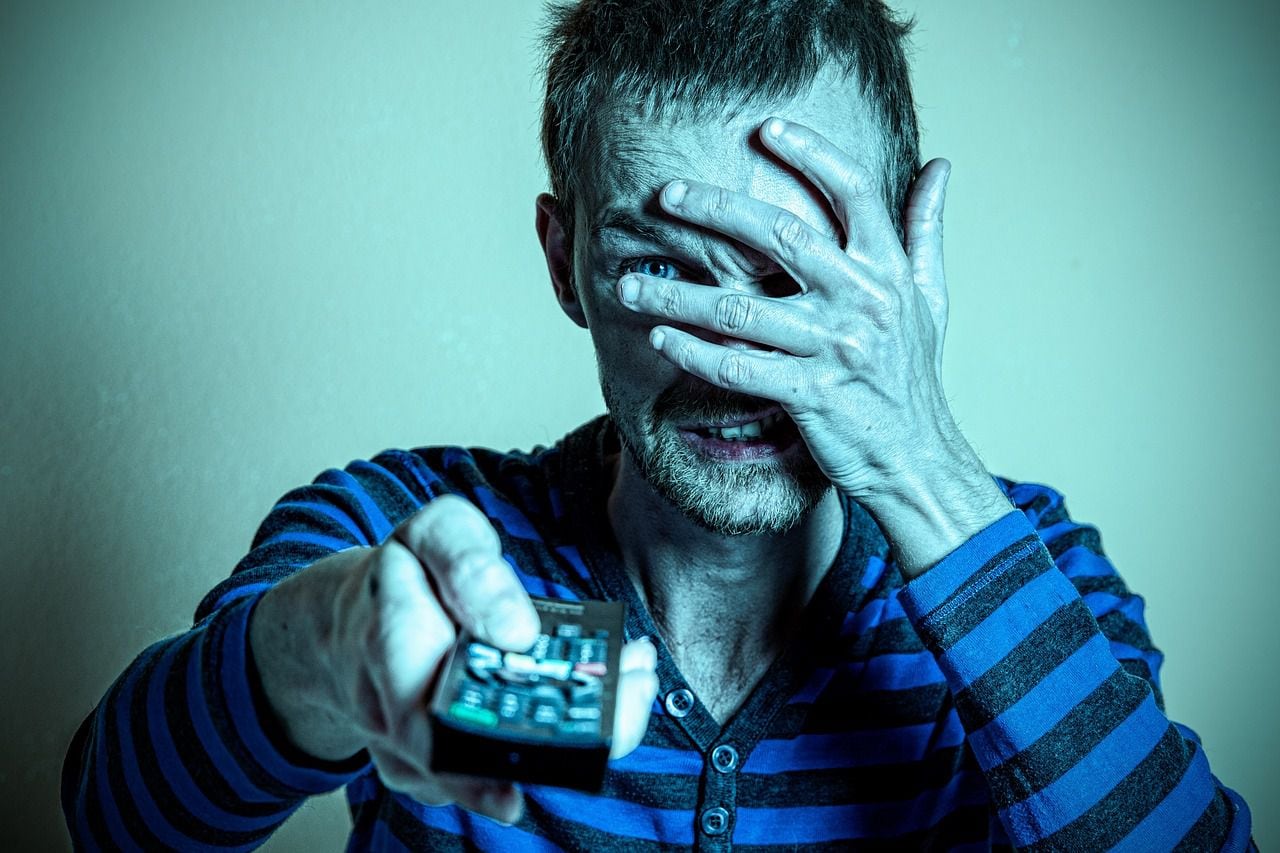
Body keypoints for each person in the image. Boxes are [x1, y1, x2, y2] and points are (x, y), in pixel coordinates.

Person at [62, 0, 1257, 849]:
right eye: (661, 270)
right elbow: (119, 818)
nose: (732, 361)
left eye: (794, 276)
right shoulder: (415, 538)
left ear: (898, 271)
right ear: (563, 260)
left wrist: (919, 464)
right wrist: (325, 654)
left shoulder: (1026, 579)